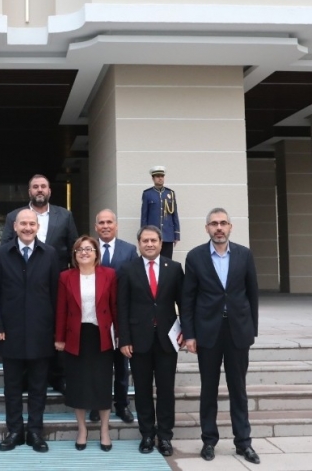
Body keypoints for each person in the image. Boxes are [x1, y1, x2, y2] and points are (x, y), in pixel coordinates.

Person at [181, 207, 260, 464]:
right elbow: (188, 299)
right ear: (207, 228)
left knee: (239, 389)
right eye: (214, 223)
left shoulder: (244, 255)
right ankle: (209, 441)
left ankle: (243, 443)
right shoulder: (195, 257)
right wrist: (189, 335)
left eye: (223, 223)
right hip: (208, 333)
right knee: (209, 389)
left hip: (238, 332)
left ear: (230, 227)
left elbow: (252, 295)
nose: (219, 227)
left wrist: (252, 330)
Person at [0, 209, 60, 453]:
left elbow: (56, 296)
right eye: (23, 224)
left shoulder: (49, 254)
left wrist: (56, 332)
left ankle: (35, 432)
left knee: (39, 386)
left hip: (42, 331)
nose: (28, 227)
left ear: (38, 227)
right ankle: (15, 431)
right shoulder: (0, 254)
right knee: (12, 386)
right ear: (15, 227)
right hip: (10, 332)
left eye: (32, 223)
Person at [1, 174, 78, 394]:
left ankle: (58, 377)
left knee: (55, 328)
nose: (40, 190)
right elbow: (5, 246)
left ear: (50, 191)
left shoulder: (64, 216)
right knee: (28, 331)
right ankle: (26, 379)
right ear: (29, 191)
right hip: (22, 282)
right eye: (35, 187)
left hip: (56, 281)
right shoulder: (14, 217)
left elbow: (73, 247)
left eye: (43, 186)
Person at [117, 225, 183, 456]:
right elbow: (121, 307)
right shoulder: (127, 269)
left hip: (167, 340)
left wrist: (186, 331)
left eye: (153, 240)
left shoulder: (174, 268)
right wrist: (123, 339)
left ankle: (164, 436)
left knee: (166, 390)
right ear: (139, 244)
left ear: (160, 242)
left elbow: (183, 303)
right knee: (143, 389)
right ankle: (146, 434)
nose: (149, 244)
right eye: (145, 240)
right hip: (138, 340)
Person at [55, 236, 117, 452]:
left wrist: (121, 336)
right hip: (76, 336)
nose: (84, 252)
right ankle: (82, 429)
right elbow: (61, 309)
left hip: (101, 336)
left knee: (101, 384)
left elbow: (115, 306)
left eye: (89, 249)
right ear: (74, 254)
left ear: (96, 253)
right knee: (78, 385)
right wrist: (59, 338)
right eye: (80, 249)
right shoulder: (66, 276)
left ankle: (104, 430)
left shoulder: (109, 274)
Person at [89, 209, 138, 425]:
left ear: (116, 226)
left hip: (121, 316)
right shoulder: (87, 248)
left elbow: (135, 280)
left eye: (110, 222)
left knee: (121, 365)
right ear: (96, 226)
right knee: (96, 365)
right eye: (102, 222)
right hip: (93, 316)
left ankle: (121, 404)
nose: (106, 226)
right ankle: (96, 404)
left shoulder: (129, 250)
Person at [140, 166, 180, 259]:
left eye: (162, 176)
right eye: (157, 176)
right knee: (152, 259)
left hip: (168, 234)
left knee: (167, 261)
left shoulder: (170, 193)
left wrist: (176, 234)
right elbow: (144, 216)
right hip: (152, 235)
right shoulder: (147, 194)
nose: (160, 178)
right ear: (153, 178)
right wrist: (144, 233)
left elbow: (174, 215)